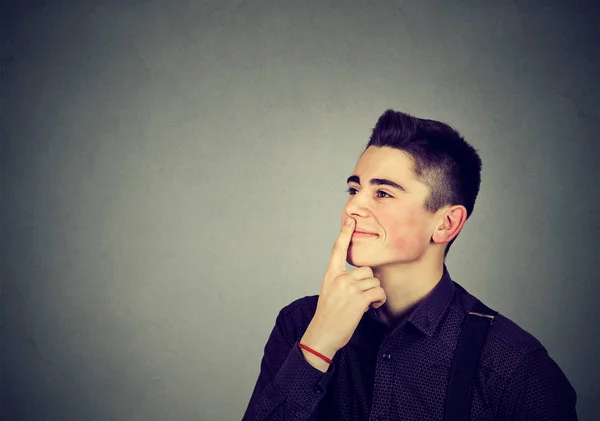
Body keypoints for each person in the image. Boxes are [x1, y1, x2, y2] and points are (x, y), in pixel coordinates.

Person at [241, 109, 577, 420]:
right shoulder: (300, 324)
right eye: (353, 189)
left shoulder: (513, 364)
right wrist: (319, 343)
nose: (353, 207)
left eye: (383, 193)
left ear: (446, 224)